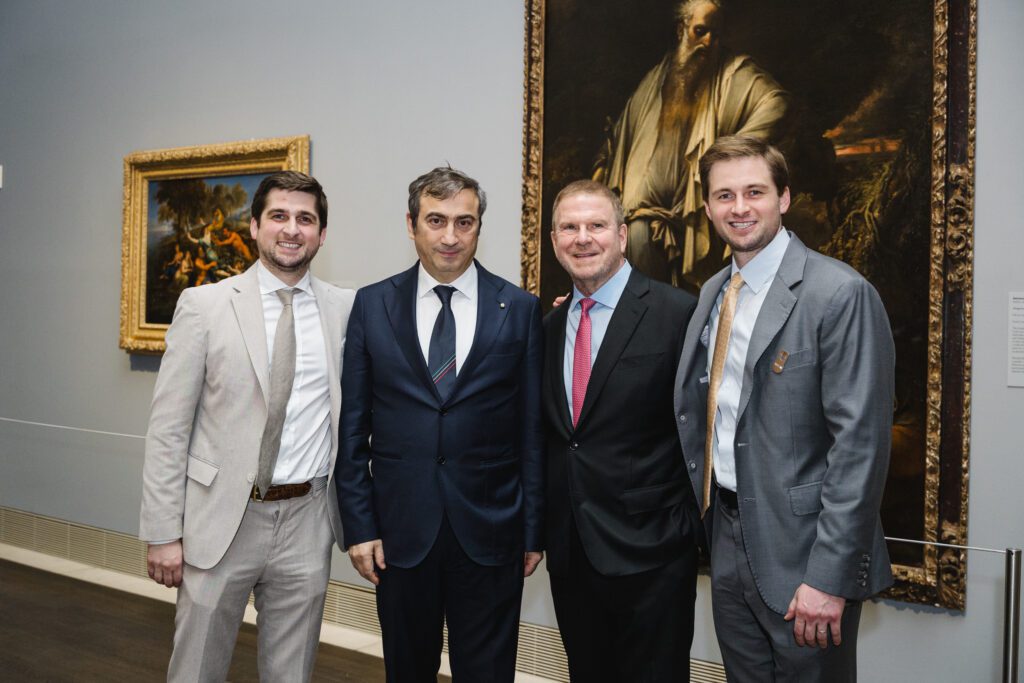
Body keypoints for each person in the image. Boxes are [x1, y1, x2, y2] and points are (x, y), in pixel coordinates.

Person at [674, 135, 894, 682]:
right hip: (727, 537)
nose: (740, 207)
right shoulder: (714, 293)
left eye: (755, 192)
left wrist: (829, 577)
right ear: (707, 208)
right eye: (724, 195)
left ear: (784, 198)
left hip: (805, 556)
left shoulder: (839, 294)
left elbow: (859, 448)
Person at [139, 171, 355, 682]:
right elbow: (168, 428)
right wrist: (163, 532)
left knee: (291, 674)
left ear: (322, 234)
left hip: (308, 519)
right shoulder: (204, 306)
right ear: (254, 225)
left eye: (306, 219)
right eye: (278, 216)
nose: (291, 229)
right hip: (220, 521)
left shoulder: (348, 310)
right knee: (196, 670)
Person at [335, 166, 544, 682]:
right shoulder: (372, 304)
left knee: (489, 673)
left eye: (464, 222)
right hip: (400, 533)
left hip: (492, 531)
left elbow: (532, 432)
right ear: (411, 225)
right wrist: (360, 526)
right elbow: (352, 424)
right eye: (436, 220)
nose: (450, 237)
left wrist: (533, 531)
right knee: (408, 671)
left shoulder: (518, 309)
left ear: (478, 226)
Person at [542, 180, 700, 681]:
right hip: (572, 552)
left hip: (652, 552)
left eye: (596, 226)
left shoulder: (679, 314)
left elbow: (701, 430)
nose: (583, 238)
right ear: (554, 240)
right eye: (570, 227)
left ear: (622, 235)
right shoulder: (547, 327)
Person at [594, 0, 789, 289]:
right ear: (680, 30)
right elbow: (617, 142)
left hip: (699, 222)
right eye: (701, 31)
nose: (708, 41)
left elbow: (778, 104)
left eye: (716, 34)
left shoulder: (733, 74)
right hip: (645, 227)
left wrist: (730, 157)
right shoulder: (653, 82)